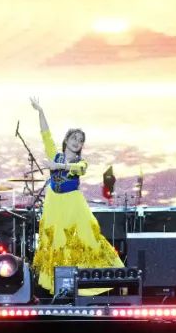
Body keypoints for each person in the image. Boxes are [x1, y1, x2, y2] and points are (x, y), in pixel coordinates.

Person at [29, 97, 123, 295]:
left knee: (84, 240)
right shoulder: (55, 154)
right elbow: (46, 134)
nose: (77, 142)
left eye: (80, 141)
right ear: (66, 140)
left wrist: (58, 166)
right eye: (74, 138)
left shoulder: (81, 163)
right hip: (54, 203)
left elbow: (78, 170)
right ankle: (60, 286)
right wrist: (40, 111)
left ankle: (106, 278)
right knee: (57, 242)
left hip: (73, 204)